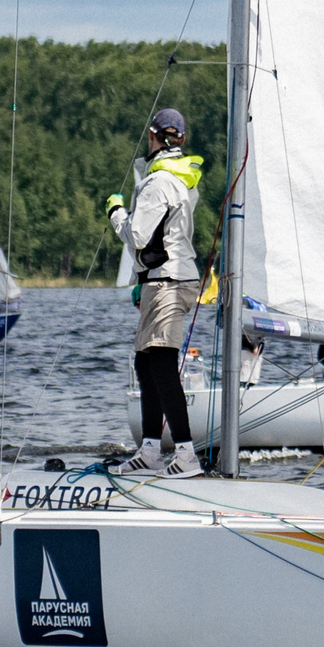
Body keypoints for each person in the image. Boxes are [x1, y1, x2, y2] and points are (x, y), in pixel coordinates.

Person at [106, 107, 204, 476]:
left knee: (161, 363)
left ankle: (186, 455)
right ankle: (149, 451)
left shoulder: (158, 181)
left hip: (168, 282)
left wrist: (116, 211)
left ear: (152, 137)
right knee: (145, 364)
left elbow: (136, 235)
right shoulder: (182, 178)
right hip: (165, 280)